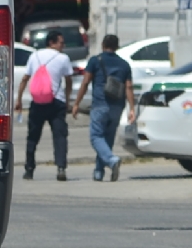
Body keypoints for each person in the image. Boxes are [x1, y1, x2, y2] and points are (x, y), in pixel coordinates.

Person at [75, 34, 135, 182]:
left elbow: (86, 82)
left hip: (100, 104)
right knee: (107, 139)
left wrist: (77, 103)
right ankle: (98, 172)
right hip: (117, 105)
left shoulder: (95, 60)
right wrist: (131, 108)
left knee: (96, 137)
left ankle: (112, 160)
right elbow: (129, 87)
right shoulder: (124, 64)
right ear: (117, 46)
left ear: (102, 45)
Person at [18, 31, 73, 181]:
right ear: (52, 42)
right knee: (60, 136)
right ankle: (61, 167)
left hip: (37, 103)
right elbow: (68, 80)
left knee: (33, 137)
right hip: (57, 102)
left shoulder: (34, 56)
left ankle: (29, 169)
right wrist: (68, 99)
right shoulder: (63, 58)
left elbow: (25, 78)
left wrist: (19, 99)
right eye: (61, 43)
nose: (63, 46)